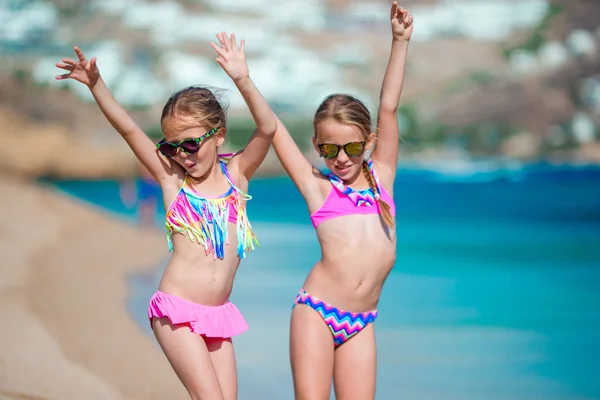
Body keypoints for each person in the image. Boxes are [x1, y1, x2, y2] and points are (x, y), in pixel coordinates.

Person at [55, 32, 277, 400]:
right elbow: (128, 129)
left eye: (191, 143)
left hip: (218, 315)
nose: (183, 155)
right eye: (172, 147)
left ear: (218, 135)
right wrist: (97, 86)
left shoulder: (238, 175)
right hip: (175, 312)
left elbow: (268, 128)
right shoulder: (173, 180)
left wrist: (242, 79)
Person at [271, 3, 413, 399]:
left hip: (361, 320)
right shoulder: (319, 188)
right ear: (317, 148)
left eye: (352, 146)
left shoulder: (382, 178)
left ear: (368, 142)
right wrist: (243, 79)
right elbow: (274, 129)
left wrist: (399, 41)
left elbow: (388, 105)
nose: (342, 158)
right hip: (317, 312)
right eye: (330, 150)